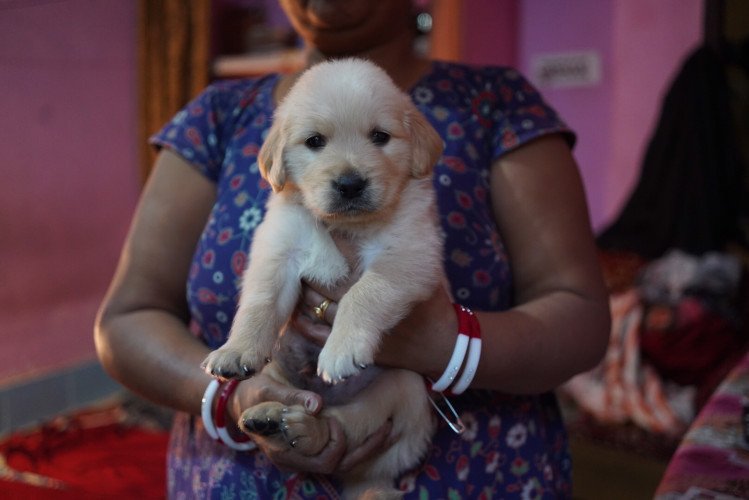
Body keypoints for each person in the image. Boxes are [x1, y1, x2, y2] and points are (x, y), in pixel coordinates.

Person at [95, 1, 610, 498]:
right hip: (237, 469)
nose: (348, 173)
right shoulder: (216, 116)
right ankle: (311, 433)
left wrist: (445, 345)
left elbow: (574, 315)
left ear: (415, 146)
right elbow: (136, 314)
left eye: (379, 137)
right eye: (315, 142)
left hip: (477, 471)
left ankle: (368, 481)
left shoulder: (497, 104)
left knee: (401, 392)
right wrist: (232, 395)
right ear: (281, 163)